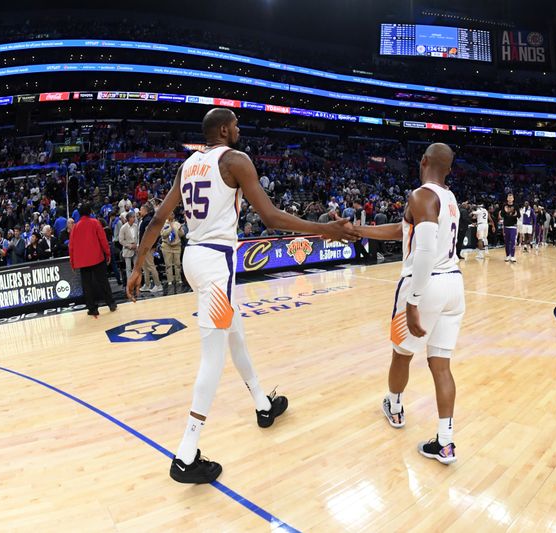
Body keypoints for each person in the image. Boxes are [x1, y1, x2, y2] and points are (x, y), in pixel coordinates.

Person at [126, 108, 359, 484]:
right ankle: (186, 455)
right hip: (217, 263)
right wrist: (323, 229)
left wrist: (138, 265)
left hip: (194, 259)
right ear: (222, 129)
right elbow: (270, 217)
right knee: (213, 359)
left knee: (236, 338)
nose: (239, 128)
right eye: (234, 124)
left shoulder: (187, 166)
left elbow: (156, 220)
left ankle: (263, 406)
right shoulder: (235, 160)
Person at [354, 143, 464, 465]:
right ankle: (445, 443)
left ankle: (395, 405)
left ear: (424, 161)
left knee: (401, 354)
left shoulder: (421, 195)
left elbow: (424, 252)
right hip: (454, 284)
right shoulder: (449, 199)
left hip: (425, 284)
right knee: (441, 365)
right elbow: (407, 233)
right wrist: (360, 230)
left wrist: (413, 301)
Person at [70, 204, 117, 317]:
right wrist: (107, 253)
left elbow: (71, 246)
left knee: (87, 285)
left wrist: (72, 263)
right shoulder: (95, 222)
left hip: (83, 261)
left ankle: (92, 308)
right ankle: (111, 303)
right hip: (97, 258)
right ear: (90, 212)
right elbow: (103, 239)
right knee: (103, 281)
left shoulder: (75, 227)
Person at [138, 204, 163, 293]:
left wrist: (152, 246)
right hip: (143, 246)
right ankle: (147, 285)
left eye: (141, 209)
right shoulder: (144, 220)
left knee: (151, 265)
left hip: (148, 247)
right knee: (145, 266)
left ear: (146, 211)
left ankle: (158, 285)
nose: (140, 211)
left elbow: (155, 234)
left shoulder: (148, 220)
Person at [160, 213, 185, 286]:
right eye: (170, 214)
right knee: (168, 265)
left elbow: (182, 235)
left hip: (176, 246)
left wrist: (180, 230)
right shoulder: (164, 224)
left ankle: (178, 279)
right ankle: (170, 280)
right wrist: (170, 228)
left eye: (173, 214)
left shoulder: (177, 224)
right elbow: (163, 235)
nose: (171, 215)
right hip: (167, 246)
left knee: (177, 264)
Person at [119, 212, 139, 280]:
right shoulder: (123, 227)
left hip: (136, 249)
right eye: (133, 217)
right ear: (129, 218)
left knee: (136, 268)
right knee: (128, 269)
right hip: (127, 250)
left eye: (134, 217)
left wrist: (137, 245)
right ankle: (130, 284)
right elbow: (121, 240)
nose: (134, 218)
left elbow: (138, 237)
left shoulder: (136, 226)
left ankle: (136, 282)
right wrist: (130, 246)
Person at [502, 195, 519, 262]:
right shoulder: (504, 205)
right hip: (506, 226)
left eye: (511, 198)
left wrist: (515, 214)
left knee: (512, 241)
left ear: (513, 199)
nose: (510, 199)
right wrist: (506, 212)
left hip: (513, 226)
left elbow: (519, 215)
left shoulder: (516, 206)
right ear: (507, 198)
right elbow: (502, 215)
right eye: (509, 198)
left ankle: (512, 256)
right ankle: (507, 255)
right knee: (506, 242)